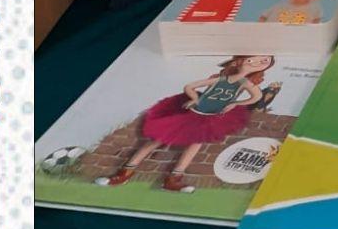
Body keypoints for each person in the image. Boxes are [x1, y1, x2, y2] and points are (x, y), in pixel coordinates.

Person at [99, 55, 280, 193]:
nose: (256, 62)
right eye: (252, 59)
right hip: (193, 112)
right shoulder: (221, 79)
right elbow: (190, 86)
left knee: (195, 144)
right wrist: (194, 98)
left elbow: (256, 97)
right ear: (239, 61)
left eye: (263, 61)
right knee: (159, 139)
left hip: (210, 116)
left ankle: (173, 179)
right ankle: (125, 173)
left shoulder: (245, 83)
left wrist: (235, 103)